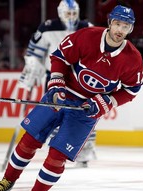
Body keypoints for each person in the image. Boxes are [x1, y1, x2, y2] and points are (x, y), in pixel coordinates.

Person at [0, 5, 143, 191]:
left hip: (86, 111)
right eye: (117, 24)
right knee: (29, 141)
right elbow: (59, 57)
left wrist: (104, 102)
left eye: (125, 26)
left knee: (57, 156)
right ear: (110, 22)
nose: (120, 30)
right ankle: (7, 180)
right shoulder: (87, 36)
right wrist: (57, 82)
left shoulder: (133, 59)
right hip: (62, 96)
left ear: (130, 29)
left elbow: (131, 90)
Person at [18, 0, 95, 167]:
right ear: (60, 13)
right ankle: (57, 151)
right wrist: (32, 66)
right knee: (54, 113)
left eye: (74, 13)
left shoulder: (87, 27)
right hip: (55, 78)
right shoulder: (47, 27)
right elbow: (33, 52)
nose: (72, 17)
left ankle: (85, 149)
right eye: (68, 13)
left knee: (84, 114)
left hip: (79, 80)